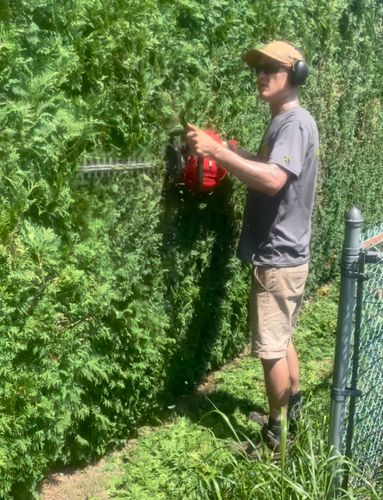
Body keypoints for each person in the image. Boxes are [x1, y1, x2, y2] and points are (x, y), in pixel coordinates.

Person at [186, 40, 319, 451]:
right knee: (283, 338)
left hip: (277, 258)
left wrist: (220, 157)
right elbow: (267, 168)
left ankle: (275, 440)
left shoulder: (294, 123)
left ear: (294, 75)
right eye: (258, 68)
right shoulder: (284, 121)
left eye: (271, 69)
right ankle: (290, 413)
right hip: (285, 255)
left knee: (271, 349)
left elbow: (274, 180)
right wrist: (227, 150)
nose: (261, 75)